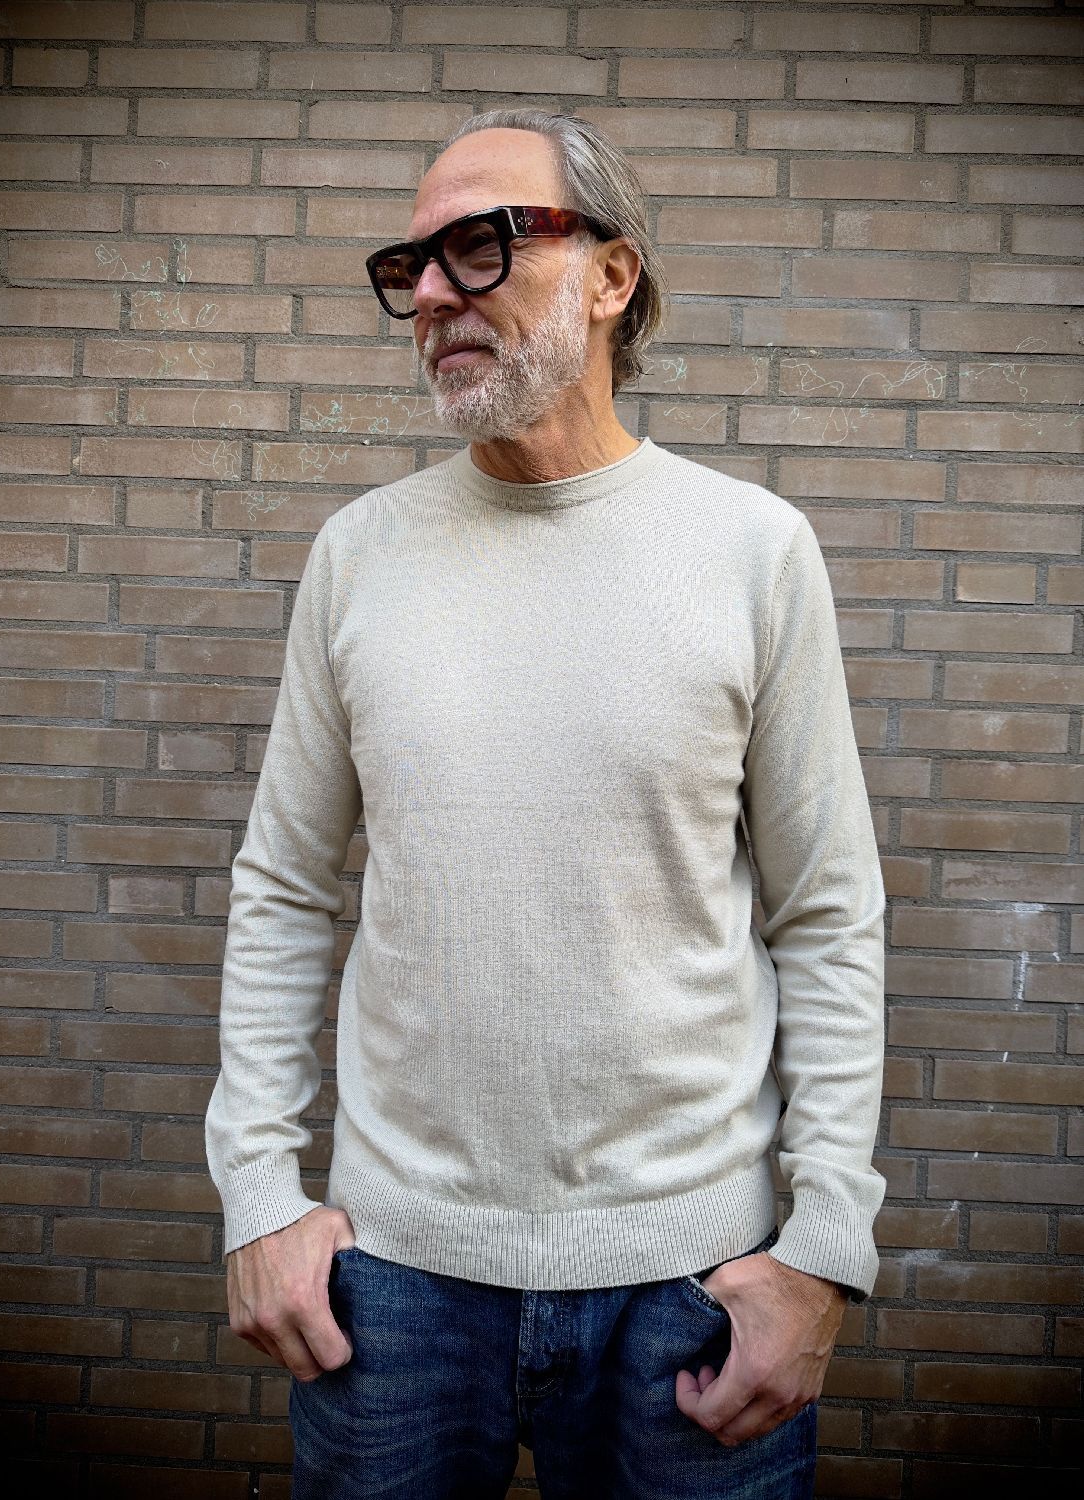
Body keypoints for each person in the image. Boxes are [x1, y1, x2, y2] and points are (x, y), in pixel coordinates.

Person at [205, 108, 887, 1499]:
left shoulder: (754, 552)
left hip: (695, 1283)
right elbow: (282, 886)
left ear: (611, 276)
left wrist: (824, 1248)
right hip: (394, 1284)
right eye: (411, 264)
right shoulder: (361, 557)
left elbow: (826, 911)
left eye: (482, 245)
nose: (433, 293)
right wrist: (259, 1196)